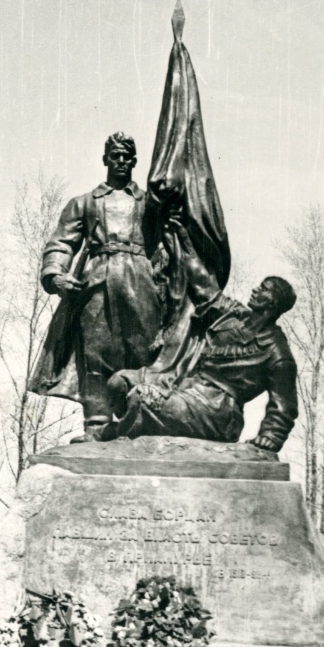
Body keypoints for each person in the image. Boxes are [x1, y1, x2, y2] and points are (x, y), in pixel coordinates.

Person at [104, 220, 299, 452]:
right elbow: (203, 285)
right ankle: (132, 429)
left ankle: (118, 436)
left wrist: (272, 436)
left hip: (217, 410)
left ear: (274, 302)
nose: (256, 290)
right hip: (185, 383)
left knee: (142, 399)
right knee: (119, 383)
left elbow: (284, 405)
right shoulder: (235, 315)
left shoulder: (277, 352)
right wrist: (186, 242)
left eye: (264, 289)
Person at [28, 132, 163, 442]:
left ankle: (144, 422)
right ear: (105, 159)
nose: (121, 161)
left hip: (140, 281)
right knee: (95, 353)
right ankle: (97, 425)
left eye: (127, 156)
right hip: (97, 281)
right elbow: (61, 243)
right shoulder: (84, 203)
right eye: (115, 155)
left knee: (144, 352)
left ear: (134, 161)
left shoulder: (150, 204)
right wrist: (55, 275)